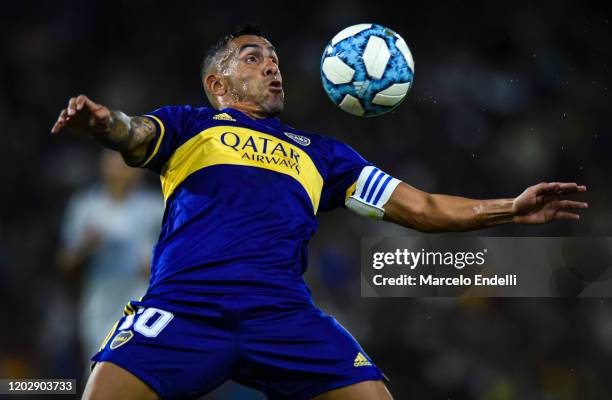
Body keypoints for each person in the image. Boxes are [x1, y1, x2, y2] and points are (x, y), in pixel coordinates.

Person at [51, 25, 588, 400]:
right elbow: (133, 132)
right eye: (253, 57)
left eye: (276, 60)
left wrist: (508, 210)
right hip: (186, 307)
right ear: (217, 85)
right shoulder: (191, 127)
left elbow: (420, 206)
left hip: (283, 316)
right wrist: (103, 123)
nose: (272, 68)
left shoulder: (322, 154)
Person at [57, 150, 163, 374]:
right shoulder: (86, 206)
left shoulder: (156, 207)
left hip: (141, 298)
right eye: (114, 163)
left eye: (127, 164)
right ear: (103, 167)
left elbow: (178, 256)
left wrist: (157, 264)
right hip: (99, 298)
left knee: (138, 370)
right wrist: (86, 246)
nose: (121, 170)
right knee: (97, 367)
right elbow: (65, 263)